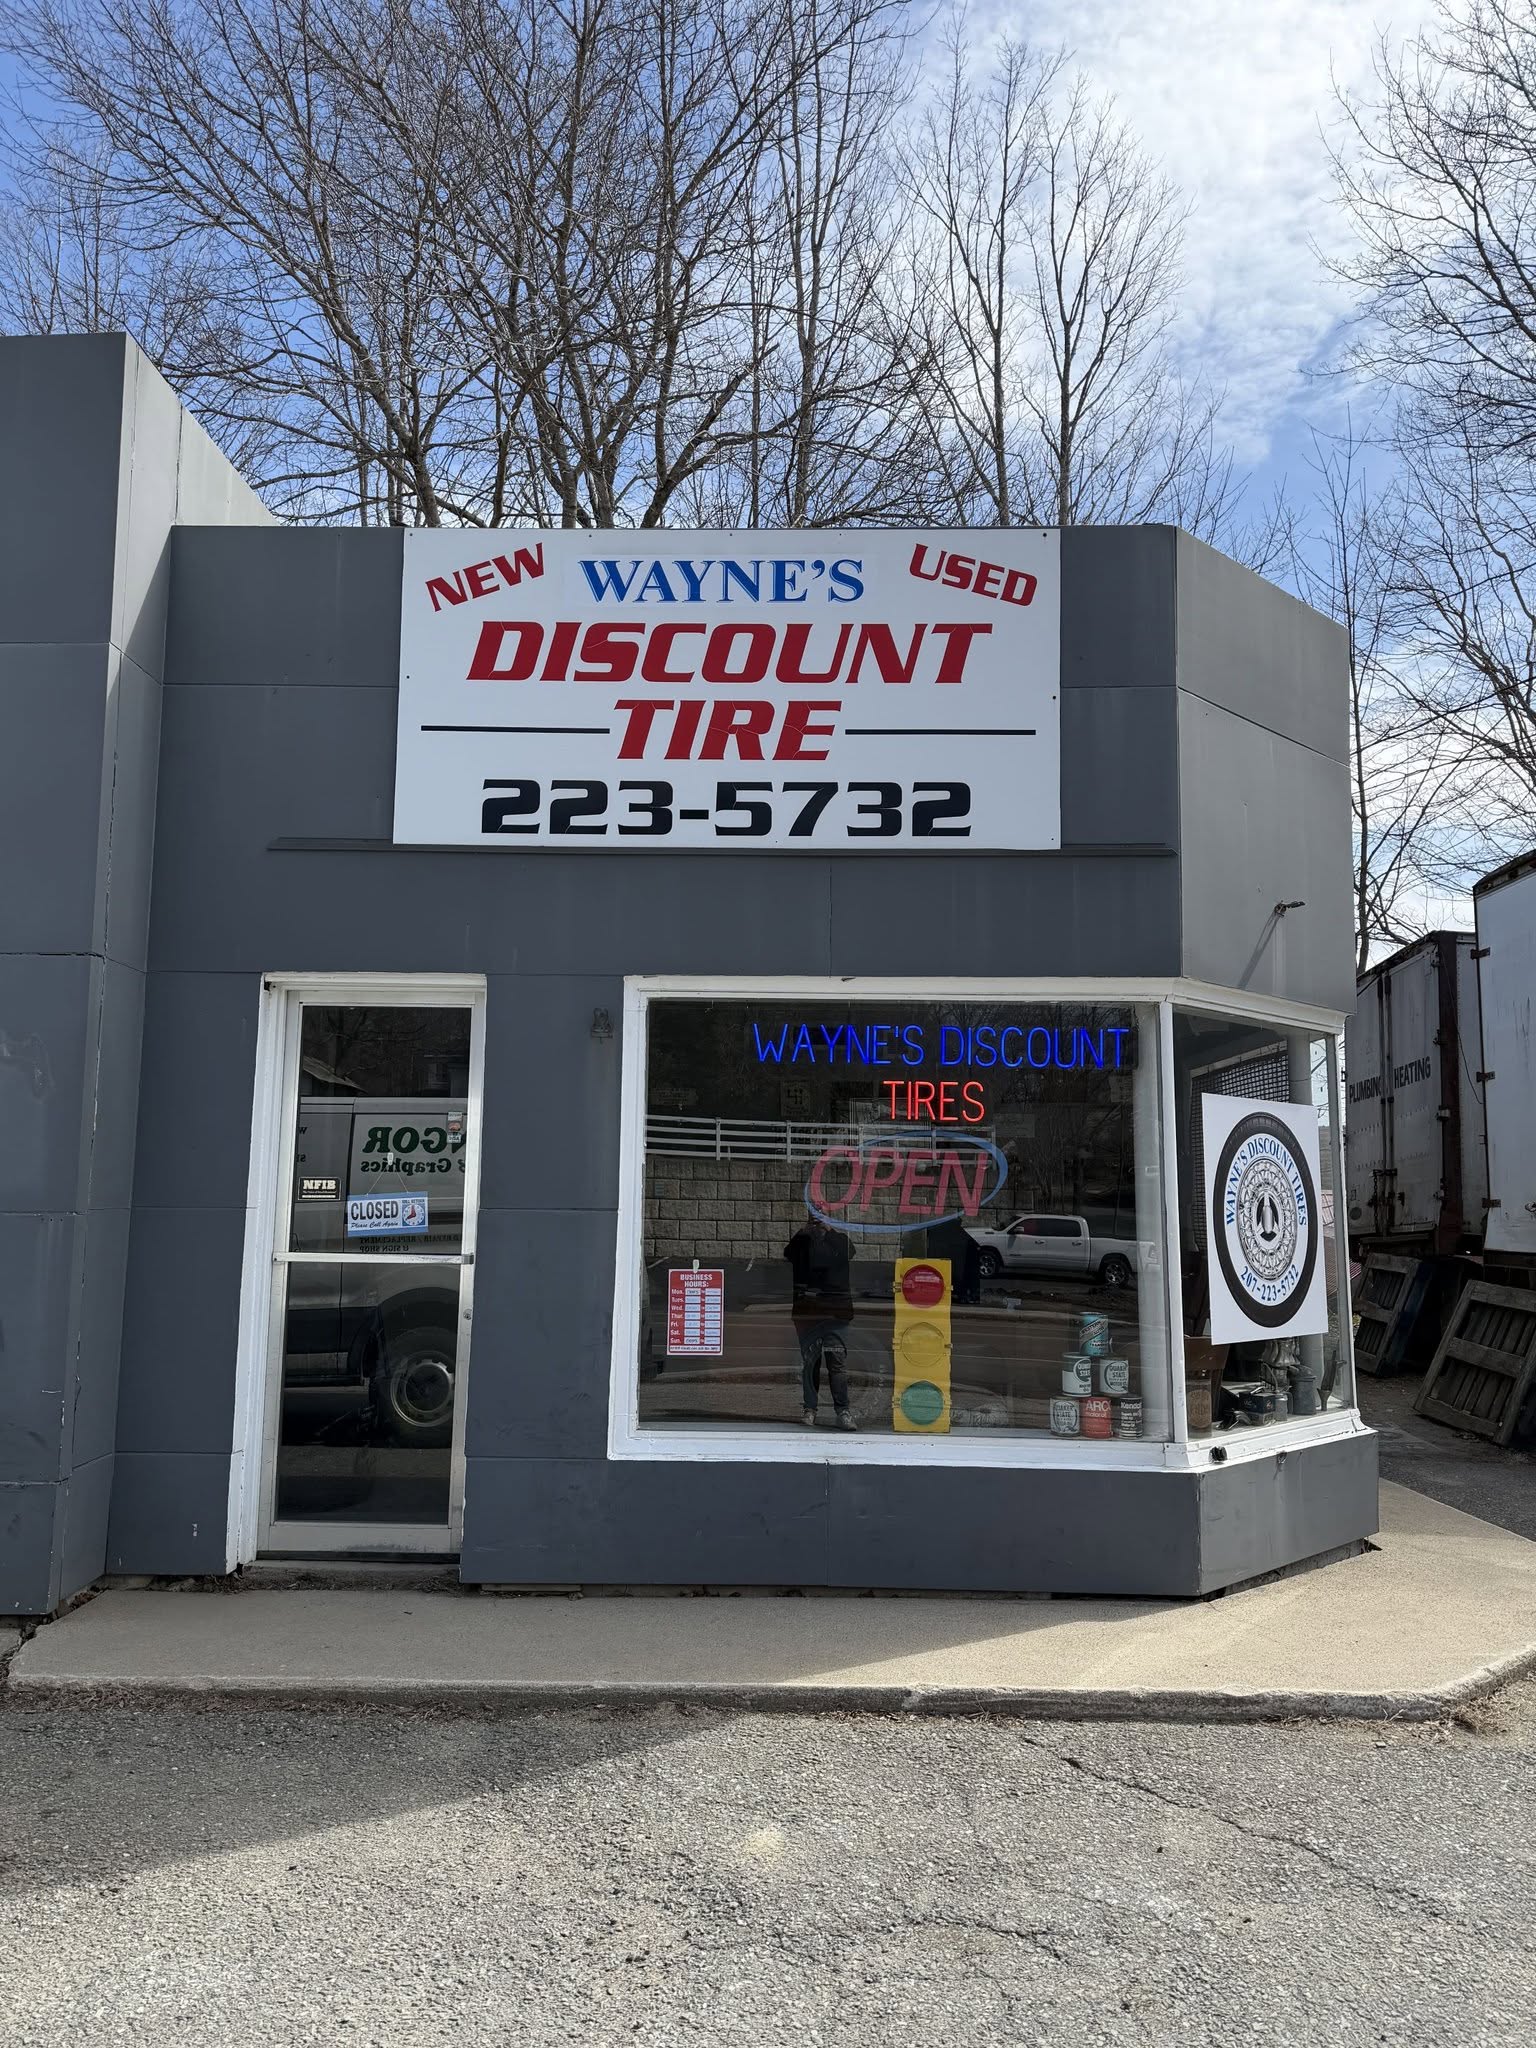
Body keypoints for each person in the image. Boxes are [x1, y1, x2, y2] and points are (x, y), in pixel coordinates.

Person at [783, 1215, 857, 1429]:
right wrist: (802, 1231)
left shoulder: (840, 1240)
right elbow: (788, 1254)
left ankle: (843, 1411)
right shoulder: (802, 1242)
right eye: (814, 1220)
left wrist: (830, 1230)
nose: (817, 1225)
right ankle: (810, 1409)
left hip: (836, 1313)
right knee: (810, 1364)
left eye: (820, 1218)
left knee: (837, 1364)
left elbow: (849, 1252)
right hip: (808, 1314)